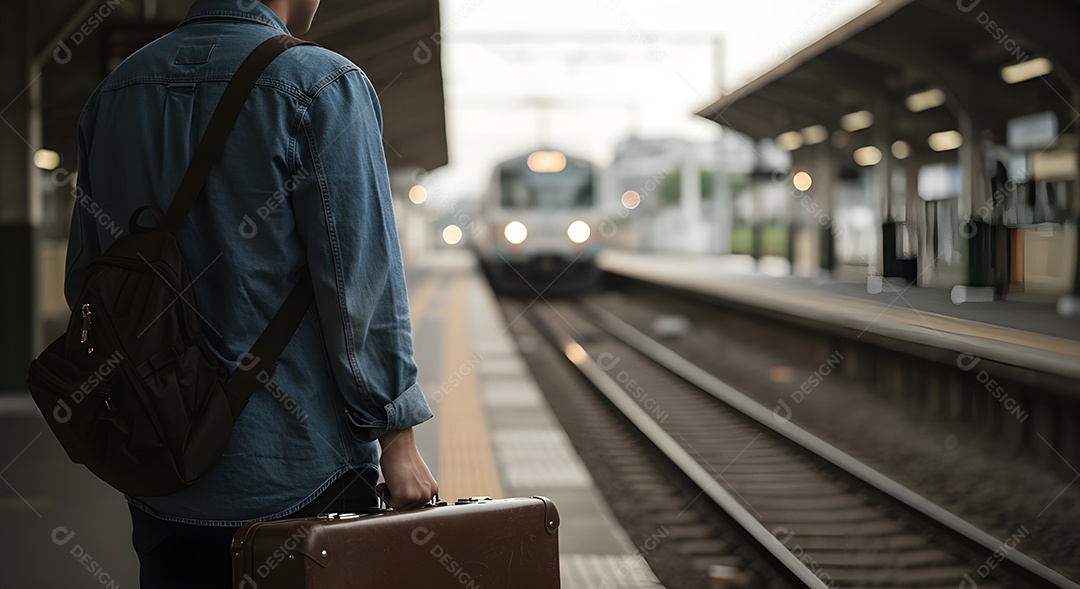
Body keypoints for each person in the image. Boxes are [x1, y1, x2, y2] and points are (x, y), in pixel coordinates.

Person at [63, 0, 438, 586]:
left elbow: (88, 280)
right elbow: (358, 285)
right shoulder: (322, 84)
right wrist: (396, 434)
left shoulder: (115, 90)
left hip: (159, 467)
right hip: (299, 470)